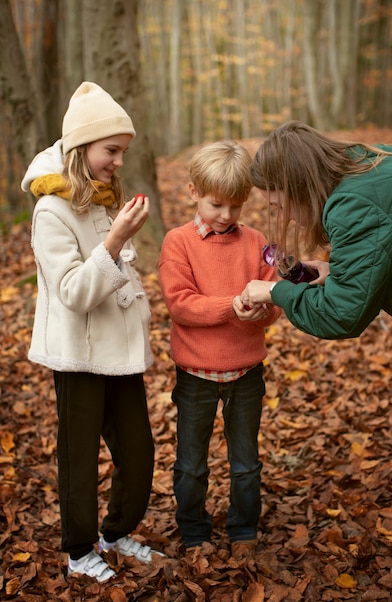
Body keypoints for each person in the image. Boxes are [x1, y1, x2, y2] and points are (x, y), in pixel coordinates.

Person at [21, 81, 164, 582]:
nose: (119, 162)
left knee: (139, 453)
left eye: (123, 152)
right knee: (78, 459)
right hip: (78, 356)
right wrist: (119, 238)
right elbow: (75, 292)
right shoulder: (50, 210)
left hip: (119, 352)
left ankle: (116, 532)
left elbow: (117, 271)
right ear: (82, 147)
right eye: (111, 151)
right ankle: (80, 552)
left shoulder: (101, 198)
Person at [158, 140, 281, 560]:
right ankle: (194, 530)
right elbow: (180, 303)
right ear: (194, 192)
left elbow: (275, 296)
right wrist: (230, 305)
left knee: (245, 460)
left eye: (236, 206)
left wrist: (261, 312)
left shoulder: (258, 240)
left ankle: (244, 528)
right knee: (192, 463)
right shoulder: (178, 243)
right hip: (196, 375)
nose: (226, 216)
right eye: (216, 205)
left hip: (247, 373)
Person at [240, 119, 392, 339]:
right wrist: (338, 271)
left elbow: (341, 316)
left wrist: (275, 291)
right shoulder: (370, 162)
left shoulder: (352, 207)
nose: (287, 218)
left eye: (282, 206)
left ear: (302, 188)